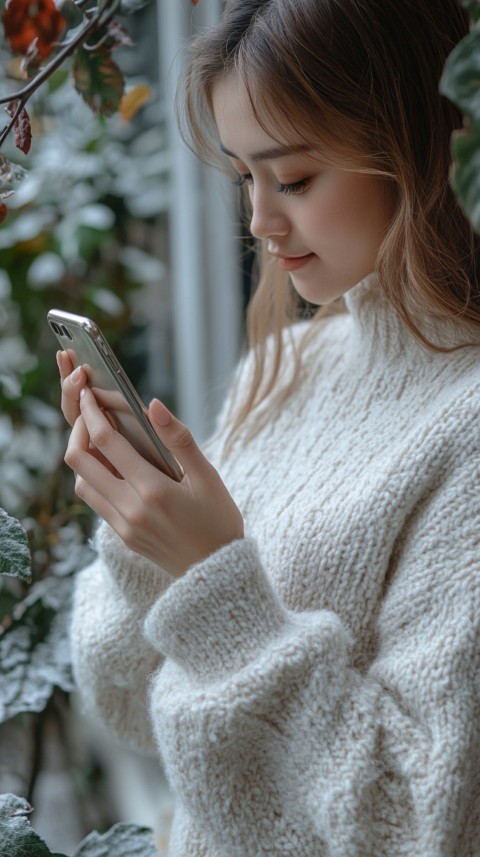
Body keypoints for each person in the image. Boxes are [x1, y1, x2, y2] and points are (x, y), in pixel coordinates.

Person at [57, 0, 480, 854]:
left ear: (421, 147)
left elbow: (413, 823)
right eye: (244, 177)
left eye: (291, 178)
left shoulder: (465, 428)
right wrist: (146, 537)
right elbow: (126, 704)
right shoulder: (280, 374)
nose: (259, 221)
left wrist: (212, 575)